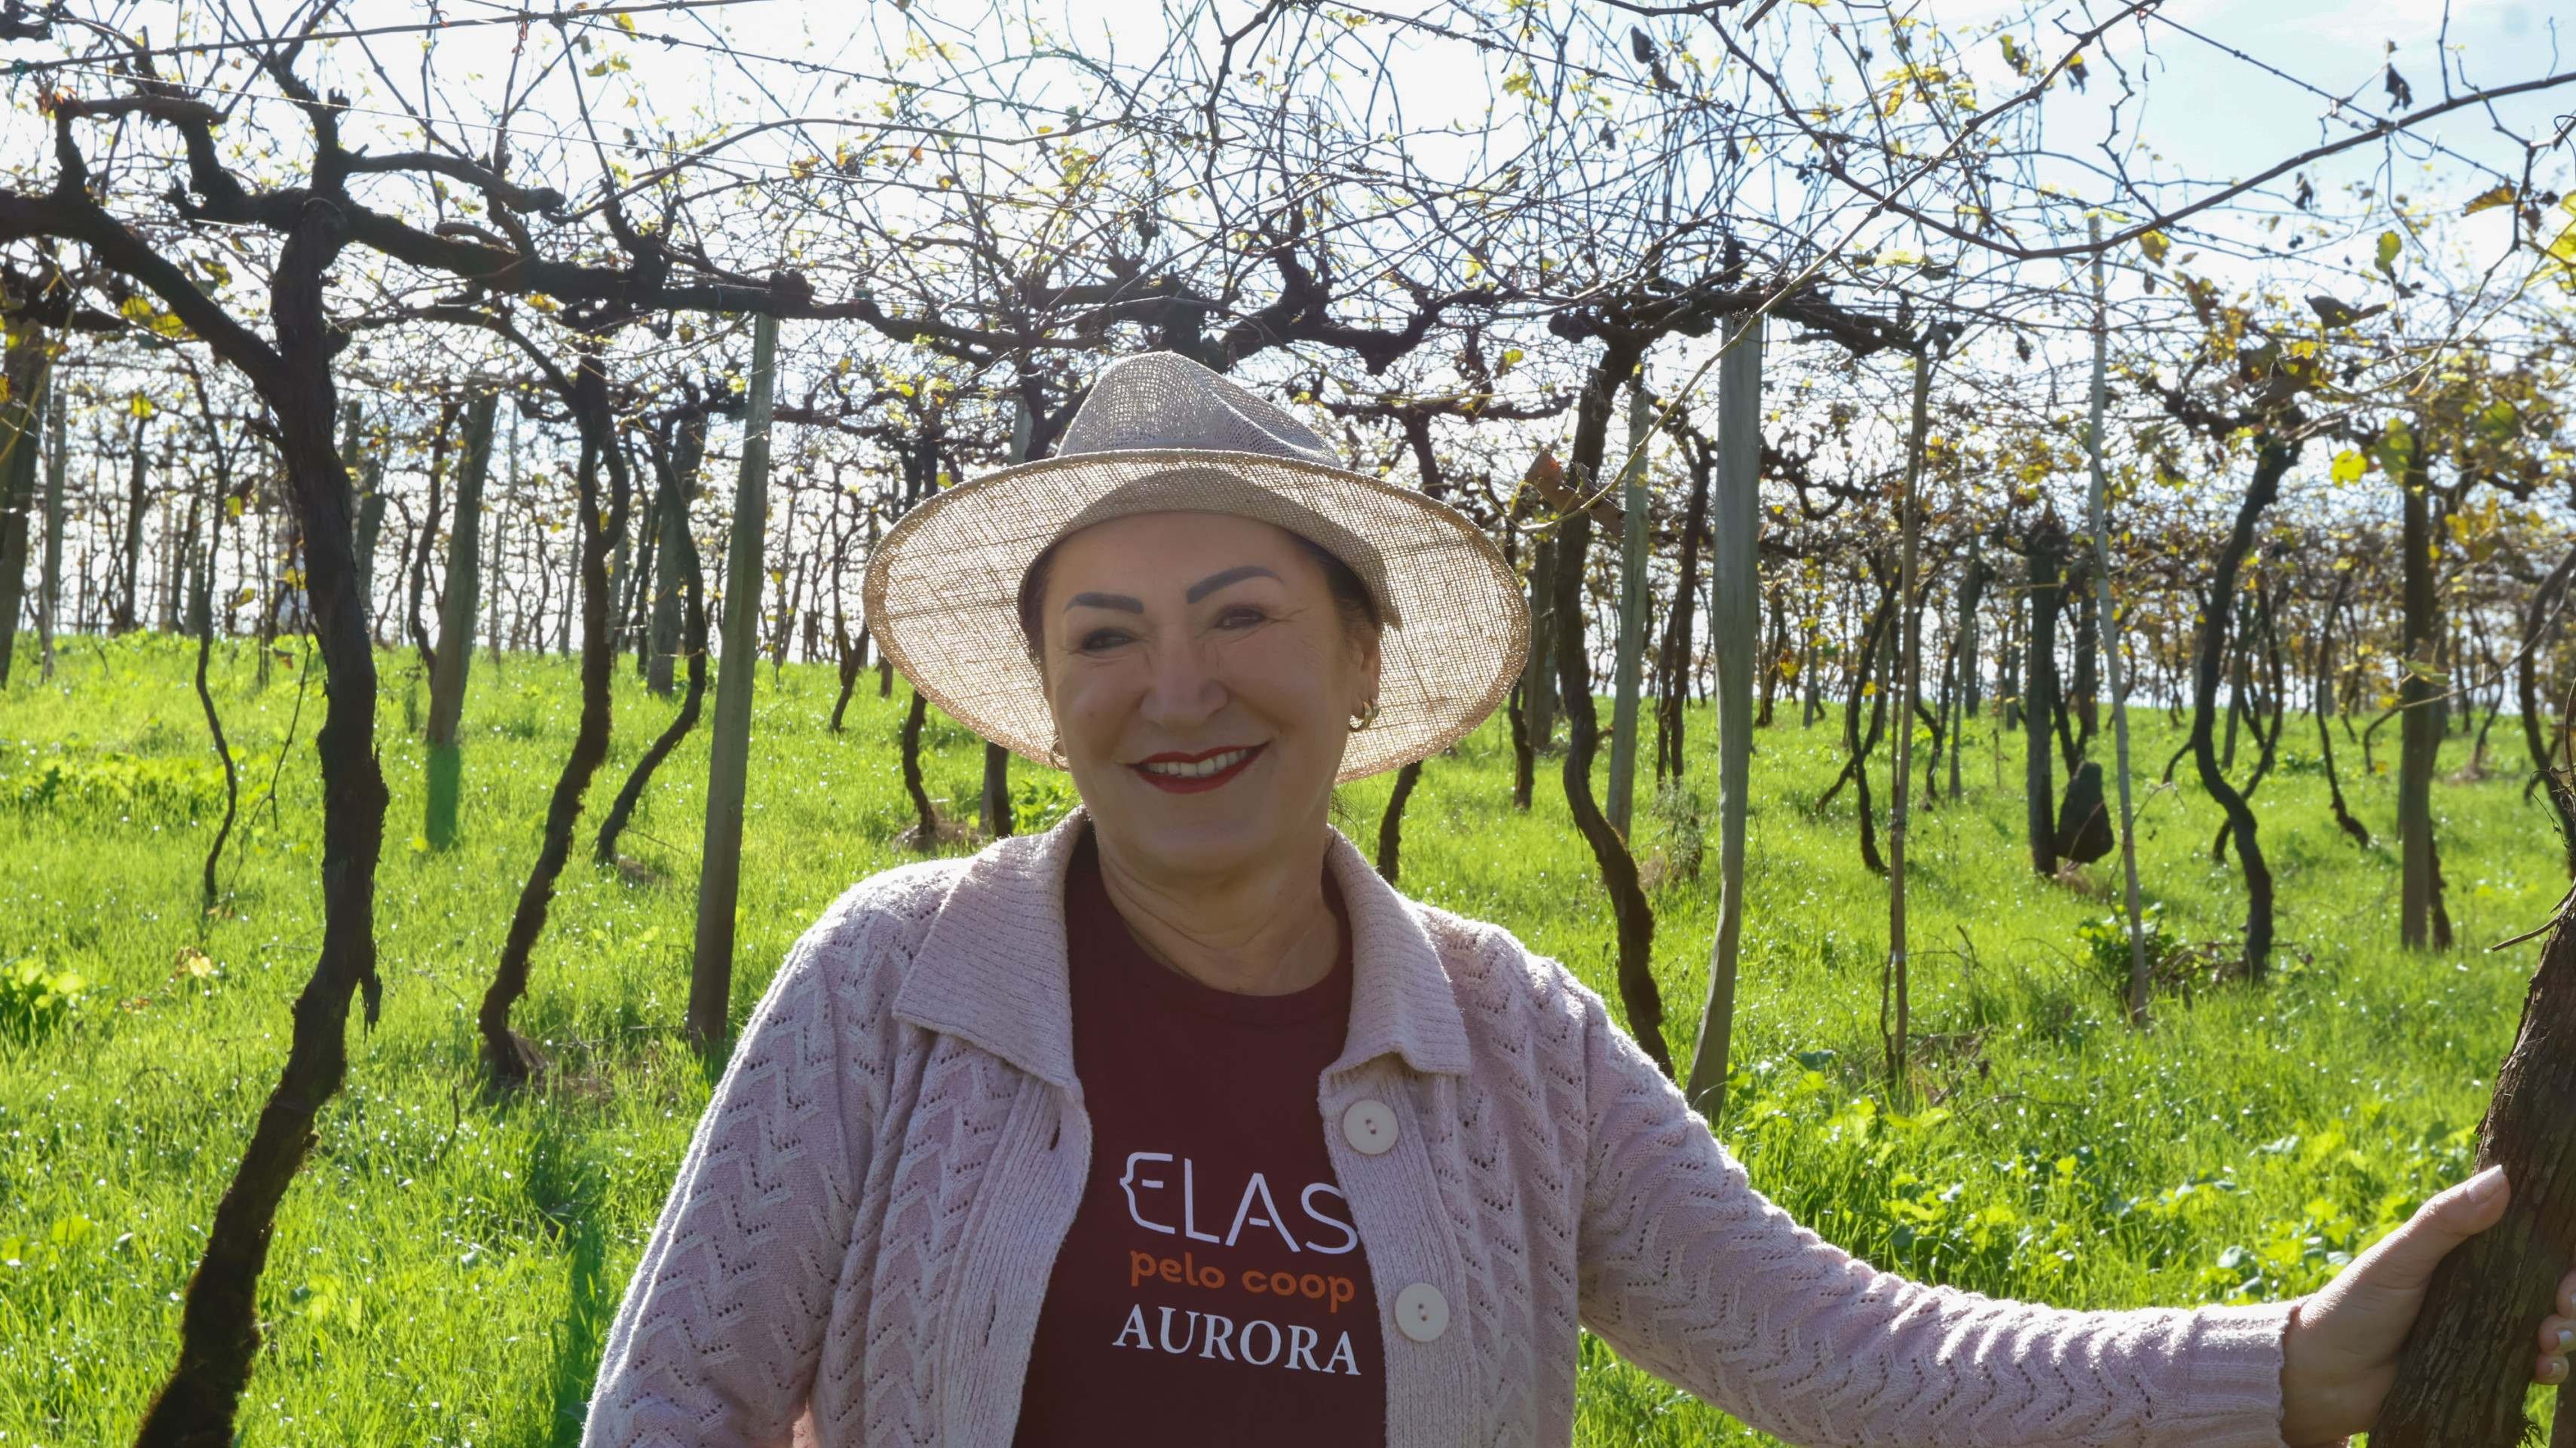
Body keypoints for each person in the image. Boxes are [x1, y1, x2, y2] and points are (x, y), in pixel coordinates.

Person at [584, 351, 2572, 1447]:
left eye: (1240, 615)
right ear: (1048, 700)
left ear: (1367, 668)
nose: (1170, 687)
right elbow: (672, 1407)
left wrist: (2282, 1362)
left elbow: (1856, 1353)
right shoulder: (895, 984)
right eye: (1102, 635)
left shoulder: (1507, 1040)